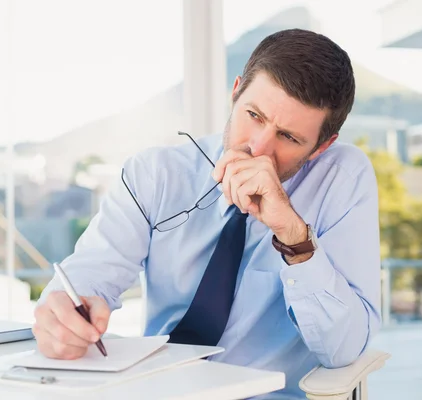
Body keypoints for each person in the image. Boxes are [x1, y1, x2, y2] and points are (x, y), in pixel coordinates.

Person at [33, 28, 381, 399]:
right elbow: (91, 275)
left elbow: (345, 350)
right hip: (158, 391)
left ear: (321, 147)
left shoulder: (343, 179)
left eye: (289, 138)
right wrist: (63, 316)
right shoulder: (156, 175)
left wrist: (295, 238)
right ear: (235, 92)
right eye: (253, 115)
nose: (259, 149)